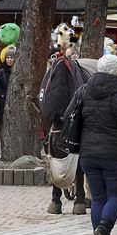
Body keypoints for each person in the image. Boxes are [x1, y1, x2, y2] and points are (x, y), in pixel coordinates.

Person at [72, 54, 117, 235]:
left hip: (88, 154)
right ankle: (104, 228)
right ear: (116, 72)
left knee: (98, 197)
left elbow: (70, 117)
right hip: (115, 155)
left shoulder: (83, 91)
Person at [40, 51, 91, 215]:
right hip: (58, 119)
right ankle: (65, 197)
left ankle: (68, 198)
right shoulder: (52, 81)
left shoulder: (82, 83)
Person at [0, 45, 17, 121]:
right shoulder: (1, 72)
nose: (9, 60)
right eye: (7, 58)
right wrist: (1, 95)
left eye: (12, 58)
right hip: (3, 105)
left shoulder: (18, 73)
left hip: (15, 105)